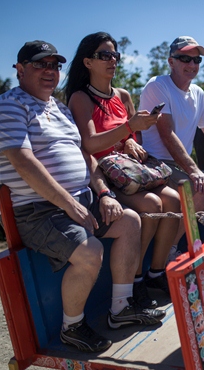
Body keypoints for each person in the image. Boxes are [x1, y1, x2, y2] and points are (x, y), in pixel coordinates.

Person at [0, 40, 166, 354]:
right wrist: (69, 204)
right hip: (37, 209)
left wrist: (104, 193)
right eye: (40, 64)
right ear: (20, 69)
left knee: (131, 221)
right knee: (89, 251)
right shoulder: (8, 105)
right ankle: (72, 327)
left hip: (80, 199)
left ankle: (120, 308)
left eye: (55, 65)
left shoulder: (60, 108)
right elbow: (23, 162)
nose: (49, 71)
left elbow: (86, 157)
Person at [65, 32, 180, 302]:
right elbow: (90, 144)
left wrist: (130, 141)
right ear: (87, 62)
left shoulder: (122, 95)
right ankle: (137, 278)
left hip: (129, 171)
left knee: (173, 199)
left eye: (114, 55)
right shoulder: (81, 99)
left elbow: (131, 137)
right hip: (104, 176)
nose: (112, 60)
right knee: (152, 204)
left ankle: (156, 271)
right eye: (104, 55)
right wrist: (128, 128)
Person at [138, 36, 204, 218]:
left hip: (179, 166)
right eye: (185, 58)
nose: (192, 64)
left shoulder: (198, 93)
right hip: (156, 163)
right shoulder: (157, 86)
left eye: (197, 60)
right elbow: (167, 134)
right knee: (201, 191)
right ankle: (172, 247)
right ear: (171, 62)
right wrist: (194, 170)